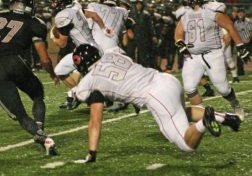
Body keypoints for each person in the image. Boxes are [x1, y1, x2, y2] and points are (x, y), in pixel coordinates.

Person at [71, 44, 241, 163]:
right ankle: (224, 117)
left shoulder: (88, 82)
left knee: (186, 144)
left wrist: (92, 152)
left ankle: (204, 122)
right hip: (166, 79)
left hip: (155, 95)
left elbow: (94, 117)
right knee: (179, 112)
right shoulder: (112, 53)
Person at [0, 0, 59, 156]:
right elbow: (44, 59)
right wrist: (52, 74)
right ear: (31, 6)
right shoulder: (34, 23)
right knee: (37, 95)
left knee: (21, 116)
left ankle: (44, 139)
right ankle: (40, 128)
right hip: (15, 62)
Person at [174, 0, 250, 121]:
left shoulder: (211, 11)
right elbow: (178, 32)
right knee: (189, 88)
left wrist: (240, 45)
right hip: (192, 57)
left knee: (223, 89)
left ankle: (236, 105)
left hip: (212, 55)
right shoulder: (185, 14)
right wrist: (180, 42)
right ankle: (203, 116)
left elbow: (230, 27)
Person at [49, 0, 112, 110]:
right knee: (61, 70)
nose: (52, 4)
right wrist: (104, 28)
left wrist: (52, 37)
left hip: (86, 51)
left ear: (61, 1)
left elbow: (62, 44)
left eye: (54, 1)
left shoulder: (63, 15)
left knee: (90, 80)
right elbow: (94, 15)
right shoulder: (75, 6)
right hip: (90, 47)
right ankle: (79, 93)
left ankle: (95, 97)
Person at [234, 7, 252, 76]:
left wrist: (248, 40)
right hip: (241, 43)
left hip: (249, 43)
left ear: (245, 13)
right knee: (239, 59)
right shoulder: (236, 23)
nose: (240, 14)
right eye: (239, 12)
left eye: (241, 12)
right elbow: (235, 33)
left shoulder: (249, 21)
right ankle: (241, 74)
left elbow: (251, 32)